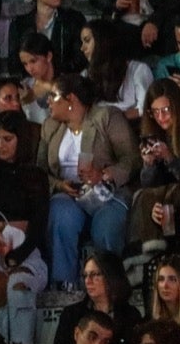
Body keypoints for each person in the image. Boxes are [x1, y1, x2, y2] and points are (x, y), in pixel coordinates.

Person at [39, 73, 139, 289]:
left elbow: (131, 159)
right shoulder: (50, 126)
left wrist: (103, 175)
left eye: (53, 96)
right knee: (60, 214)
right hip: (70, 193)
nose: (48, 101)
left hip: (107, 192)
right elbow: (39, 172)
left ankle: (111, 285)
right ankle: (65, 284)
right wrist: (58, 185)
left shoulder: (106, 117)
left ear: (71, 99)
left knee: (106, 225)